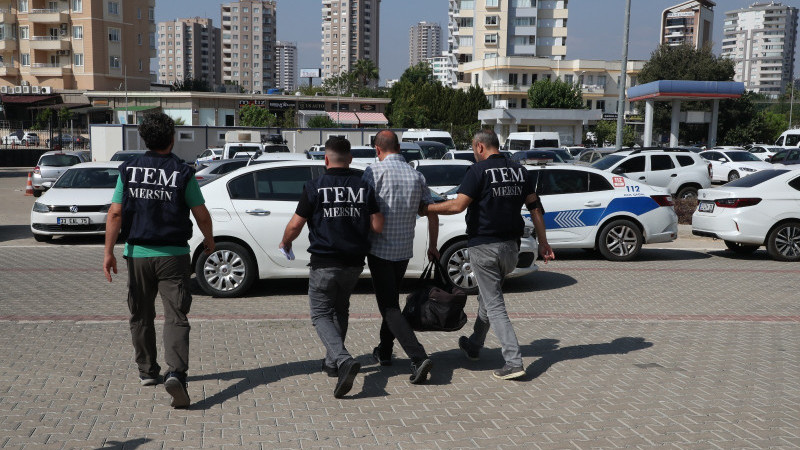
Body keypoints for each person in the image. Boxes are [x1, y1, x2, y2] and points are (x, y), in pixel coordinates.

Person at [102, 112, 215, 408]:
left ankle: (147, 371)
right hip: (174, 255)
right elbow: (200, 213)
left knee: (140, 315)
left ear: (144, 138)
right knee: (176, 316)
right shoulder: (182, 171)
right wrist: (210, 240)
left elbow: (115, 213)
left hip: (138, 254)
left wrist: (108, 252)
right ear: (172, 137)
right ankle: (176, 372)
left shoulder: (128, 170)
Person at [425, 129, 555, 380]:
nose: (475, 155)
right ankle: (474, 344)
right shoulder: (519, 170)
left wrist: (427, 207)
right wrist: (543, 242)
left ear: (480, 147)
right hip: (511, 248)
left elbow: (457, 205)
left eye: (475, 150)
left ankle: (513, 360)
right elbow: (535, 208)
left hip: (484, 246)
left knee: (494, 305)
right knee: (488, 298)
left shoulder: (478, 171)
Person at [279, 137, 384, 399]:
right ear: (349, 158)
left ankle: (342, 358)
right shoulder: (364, 186)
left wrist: (285, 242)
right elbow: (377, 226)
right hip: (353, 263)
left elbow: (295, 225)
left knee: (320, 314)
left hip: (325, 261)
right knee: (340, 308)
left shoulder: (314, 186)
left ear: (326, 159)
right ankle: (332, 362)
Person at [363, 130, 439, 384]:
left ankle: (418, 356)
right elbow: (431, 212)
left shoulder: (373, 172)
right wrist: (434, 244)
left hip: (379, 250)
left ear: (377, 149)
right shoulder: (416, 175)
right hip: (403, 250)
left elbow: (363, 211)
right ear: (399, 147)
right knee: (391, 301)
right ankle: (384, 351)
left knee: (388, 306)